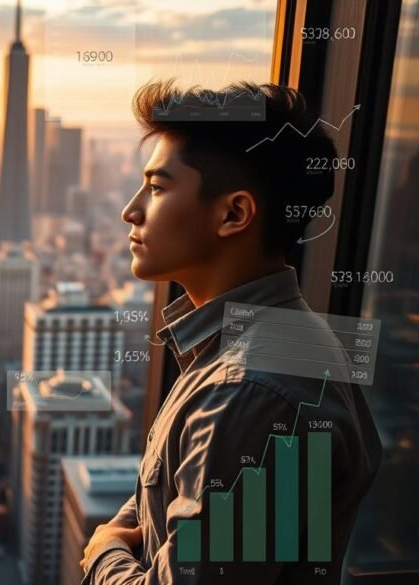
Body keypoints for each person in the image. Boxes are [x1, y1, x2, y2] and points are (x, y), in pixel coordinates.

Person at [80, 80, 381, 584]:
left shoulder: (250, 392)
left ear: (234, 214)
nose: (130, 210)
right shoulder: (277, 345)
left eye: (157, 188)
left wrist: (104, 553)